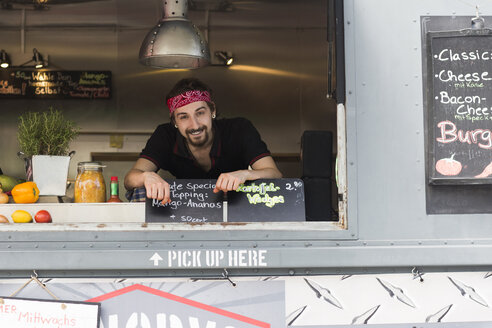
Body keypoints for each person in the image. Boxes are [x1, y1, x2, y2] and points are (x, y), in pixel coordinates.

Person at [124, 78, 282, 203]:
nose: (195, 125)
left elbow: (274, 174)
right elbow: (130, 178)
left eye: (200, 113)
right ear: (174, 122)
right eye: (183, 117)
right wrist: (146, 177)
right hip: (188, 213)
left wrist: (244, 174)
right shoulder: (165, 135)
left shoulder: (239, 129)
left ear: (212, 110)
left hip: (237, 209)